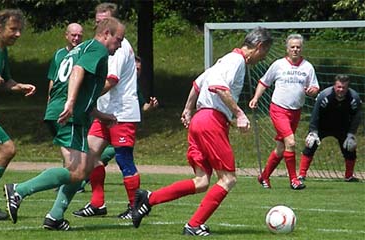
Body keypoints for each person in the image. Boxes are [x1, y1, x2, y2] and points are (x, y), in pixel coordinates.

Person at [131, 27, 273, 236]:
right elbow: (217, 86)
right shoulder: (236, 62)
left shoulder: (224, 60)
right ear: (259, 46)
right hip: (211, 121)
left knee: (201, 182)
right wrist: (239, 114)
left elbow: (199, 83)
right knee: (228, 179)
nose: (263, 58)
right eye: (265, 52)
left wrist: (188, 109)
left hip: (200, 119)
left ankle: (148, 199)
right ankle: (194, 225)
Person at [4, 17, 123, 230]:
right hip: (69, 114)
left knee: (82, 168)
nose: (120, 44)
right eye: (118, 39)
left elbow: (80, 87)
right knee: (78, 171)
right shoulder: (97, 49)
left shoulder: (80, 48)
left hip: (62, 111)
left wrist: (100, 114)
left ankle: (55, 217)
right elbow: (77, 72)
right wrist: (70, 103)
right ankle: (19, 190)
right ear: (106, 34)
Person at [72, 3, 157, 220]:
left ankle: (135, 206)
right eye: (97, 20)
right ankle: (97, 203)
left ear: (112, 23)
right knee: (90, 156)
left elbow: (111, 80)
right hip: (105, 111)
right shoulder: (100, 46)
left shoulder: (119, 46)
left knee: (123, 159)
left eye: (104, 20)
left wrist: (87, 96)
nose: (100, 24)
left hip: (122, 112)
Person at [249, 33, 319, 190]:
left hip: (296, 111)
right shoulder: (278, 64)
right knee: (291, 142)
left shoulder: (307, 67)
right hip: (278, 109)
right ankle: (294, 180)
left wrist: (312, 90)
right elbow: (264, 82)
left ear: (302, 49)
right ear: (287, 49)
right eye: (292, 47)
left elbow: (315, 88)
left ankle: (264, 176)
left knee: (281, 148)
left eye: (298, 47)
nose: (295, 49)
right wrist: (255, 98)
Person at [0, 9, 36, 221]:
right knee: (6, 149)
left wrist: (20, 86)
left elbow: (5, 81)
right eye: (13, 29)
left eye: (19, 30)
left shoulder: (2, 50)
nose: (17, 34)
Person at [298, 74, 362, 182]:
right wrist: (313, 131)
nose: (341, 90)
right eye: (339, 87)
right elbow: (315, 114)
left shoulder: (354, 98)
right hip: (323, 125)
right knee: (310, 145)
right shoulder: (324, 95)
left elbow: (357, 116)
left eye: (344, 87)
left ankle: (349, 176)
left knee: (350, 149)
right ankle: (301, 175)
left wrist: (351, 134)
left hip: (342, 126)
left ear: (348, 87)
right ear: (334, 86)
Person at [47, 23, 83, 101]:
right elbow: (53, 80)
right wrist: (49, 100)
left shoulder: (85, 54)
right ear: (67, 35)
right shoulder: (59, 54)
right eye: (73, 35)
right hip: (59, 98)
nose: (76, 38)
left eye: (79, 36)